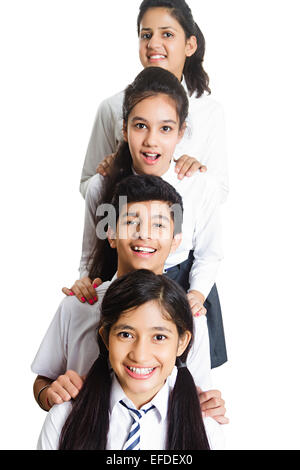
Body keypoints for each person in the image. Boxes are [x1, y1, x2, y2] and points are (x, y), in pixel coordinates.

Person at [32, 175, 227, 425]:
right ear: (111, 235)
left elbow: (198, 393)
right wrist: (49, 394)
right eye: (131, 222)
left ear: (176, 240)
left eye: (158, 225)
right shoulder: (77, 305)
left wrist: (208, 405)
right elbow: (43, 380)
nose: (144, 234)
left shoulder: (189, 316)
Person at [66, 66, 227, 368]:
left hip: (183, 284)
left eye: (165, 128)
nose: (152, 140)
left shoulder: (197, 184)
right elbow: (91, 253)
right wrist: (85, 282)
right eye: (140, 126)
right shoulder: (102, 185)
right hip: (121, 284)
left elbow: (209, 252)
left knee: (186, 386)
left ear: (181, 132)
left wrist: (195, 293)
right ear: (124, 128)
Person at [37, 269, 225, 450]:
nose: (140, 355)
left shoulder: (206, 430)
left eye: (159, 337)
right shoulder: (64, 418)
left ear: (182, 343)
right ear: (106, 337)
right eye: (126, 335)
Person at [80, 0, 228, 202]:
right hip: (127, 229)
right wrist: (111, 171)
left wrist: (196, 172)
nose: (153, 44)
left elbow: (218, 193)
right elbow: (88, 187)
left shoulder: (209, 111)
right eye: (146, 35)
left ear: (190, 45)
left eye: (167, 34)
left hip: (181, 229)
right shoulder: (112, 107)